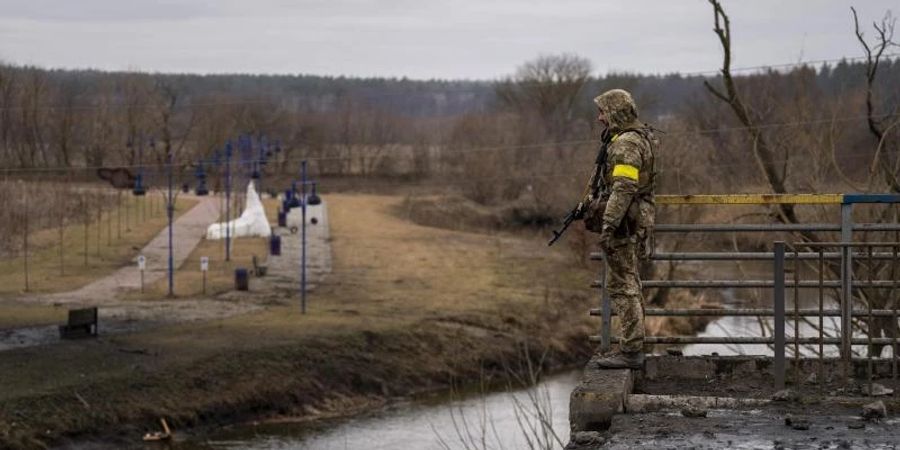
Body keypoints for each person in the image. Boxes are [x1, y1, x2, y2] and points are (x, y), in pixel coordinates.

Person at [582, 89, 658, 369]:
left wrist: (609, 224)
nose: (600, 117)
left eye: (603, 111)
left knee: (622, 285)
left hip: (625, 222)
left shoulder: (626, 144)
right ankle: (632, 346)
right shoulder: (635, 137)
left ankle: (631, 350)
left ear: (616, 112)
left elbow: (624, 189)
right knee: (628, 282)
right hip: (632, 218)